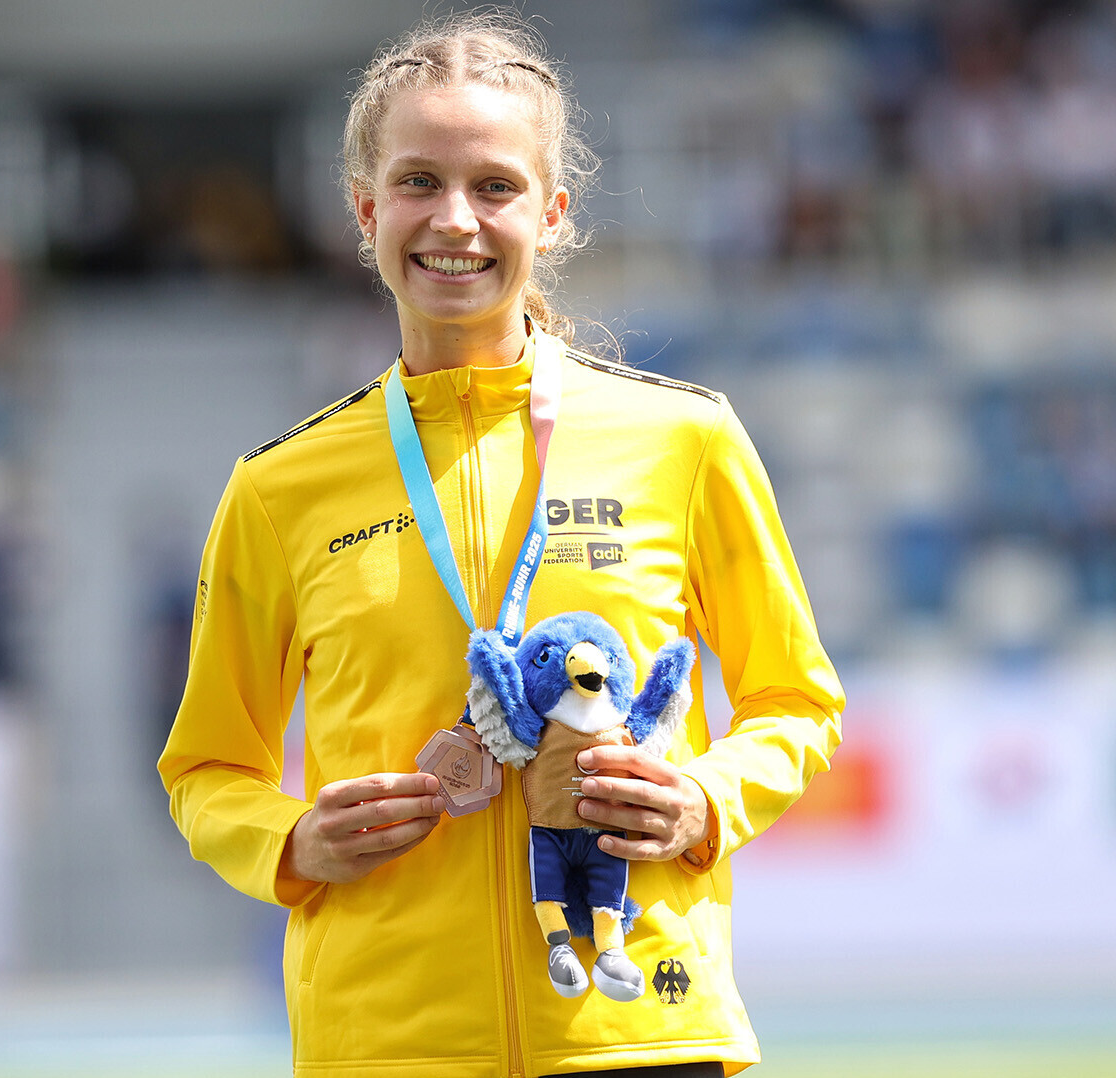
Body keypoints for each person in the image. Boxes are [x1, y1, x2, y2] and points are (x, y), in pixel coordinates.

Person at [158, 12, 843, 1077]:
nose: (456, 221)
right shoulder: (277, 490)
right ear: (365, 208)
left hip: (638, 1031)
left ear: (553, 210)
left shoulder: (685, 439)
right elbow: (206, 769)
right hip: (388, 1041)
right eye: (420, 181)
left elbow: (797, 702)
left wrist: (704, 799)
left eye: (495, 186)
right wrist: (290, 841)